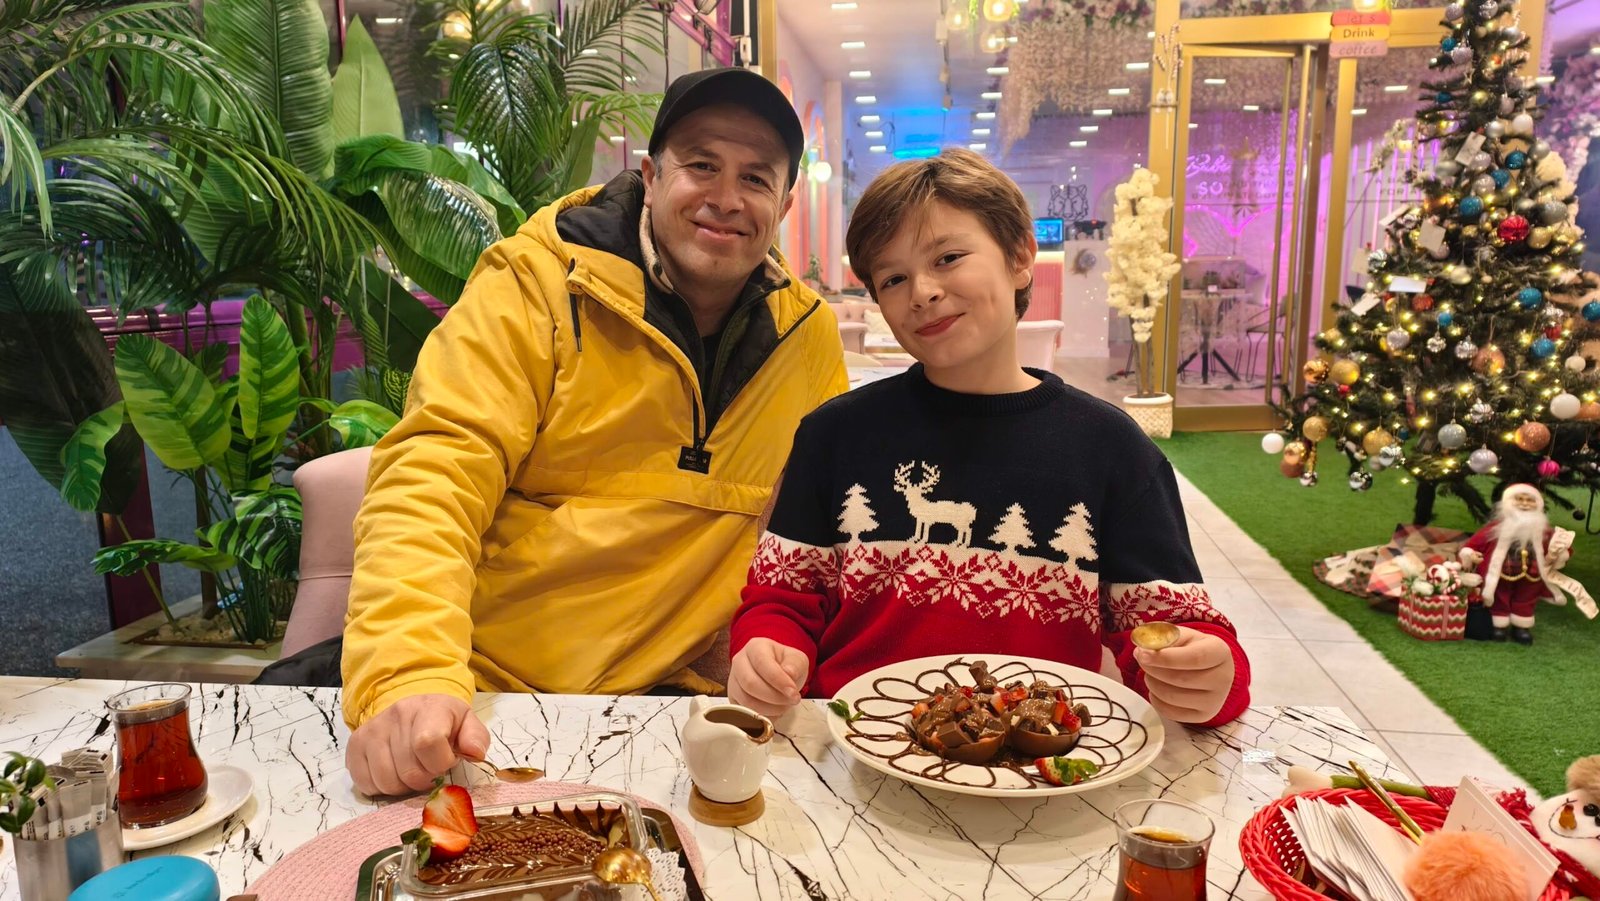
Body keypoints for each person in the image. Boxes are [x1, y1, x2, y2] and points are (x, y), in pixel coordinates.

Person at [340, 68, 848, 796]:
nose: (727, 198)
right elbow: (435, 474)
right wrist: (410, 672)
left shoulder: (808, 337)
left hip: (669, 710)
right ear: (650, 175)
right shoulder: (537, 284)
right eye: (702, 165)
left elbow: (815, 539)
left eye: (756, 178)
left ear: (785, 205)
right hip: (487, 692)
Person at [726, 148, 1251, 727]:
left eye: (948, 257)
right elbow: (782, 601)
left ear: (1020, 257)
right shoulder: (833, 436)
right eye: (893, 278)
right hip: (858, 743)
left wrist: (1207, 676)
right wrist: (767, 649)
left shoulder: (1113, 449)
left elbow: (1173, 631)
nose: (922, 291)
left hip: (1036, 756)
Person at [1458, 483, 1568, 644]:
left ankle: (1521, 626)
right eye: (1519, 499)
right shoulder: (1496, 527)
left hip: (1532, 573)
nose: (1524, 504)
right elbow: (1473, 544)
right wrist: (1470, 554)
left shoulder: (1543, 530)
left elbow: (1557, 546)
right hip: (1502, 572)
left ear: (1538, 504)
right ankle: (1498, 625)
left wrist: (1561, 552)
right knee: (1499, 596)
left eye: (1530, 500)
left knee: (1526, 597)